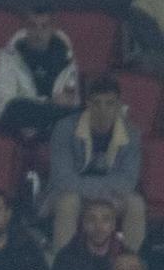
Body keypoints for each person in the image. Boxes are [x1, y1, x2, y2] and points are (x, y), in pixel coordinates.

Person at [46, 77, 144, 255]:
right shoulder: (64, 129)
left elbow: (128, 181)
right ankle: (62, 268)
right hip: (71, 196)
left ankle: (130, 265)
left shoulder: (132, 134)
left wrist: (102, 196)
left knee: (136, 203)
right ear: (87, 104)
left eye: (110, 103)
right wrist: (102, 193)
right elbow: (63, 179)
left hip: (112, 199)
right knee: (69, 202)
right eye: (97, 103)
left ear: (119, 105)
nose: (103, 110)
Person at [0, 7, 80, 141]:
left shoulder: (65, 56)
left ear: (52, 28)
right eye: (33, 26)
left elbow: (72, 100)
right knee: (17, 107)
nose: (38, 32)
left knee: (82, 114)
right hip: (17, 125)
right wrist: (50, 103)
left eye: (44, 26)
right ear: (25, 27)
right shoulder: (9, 57)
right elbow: (5, 103)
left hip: (54, 126)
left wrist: (66, 103)